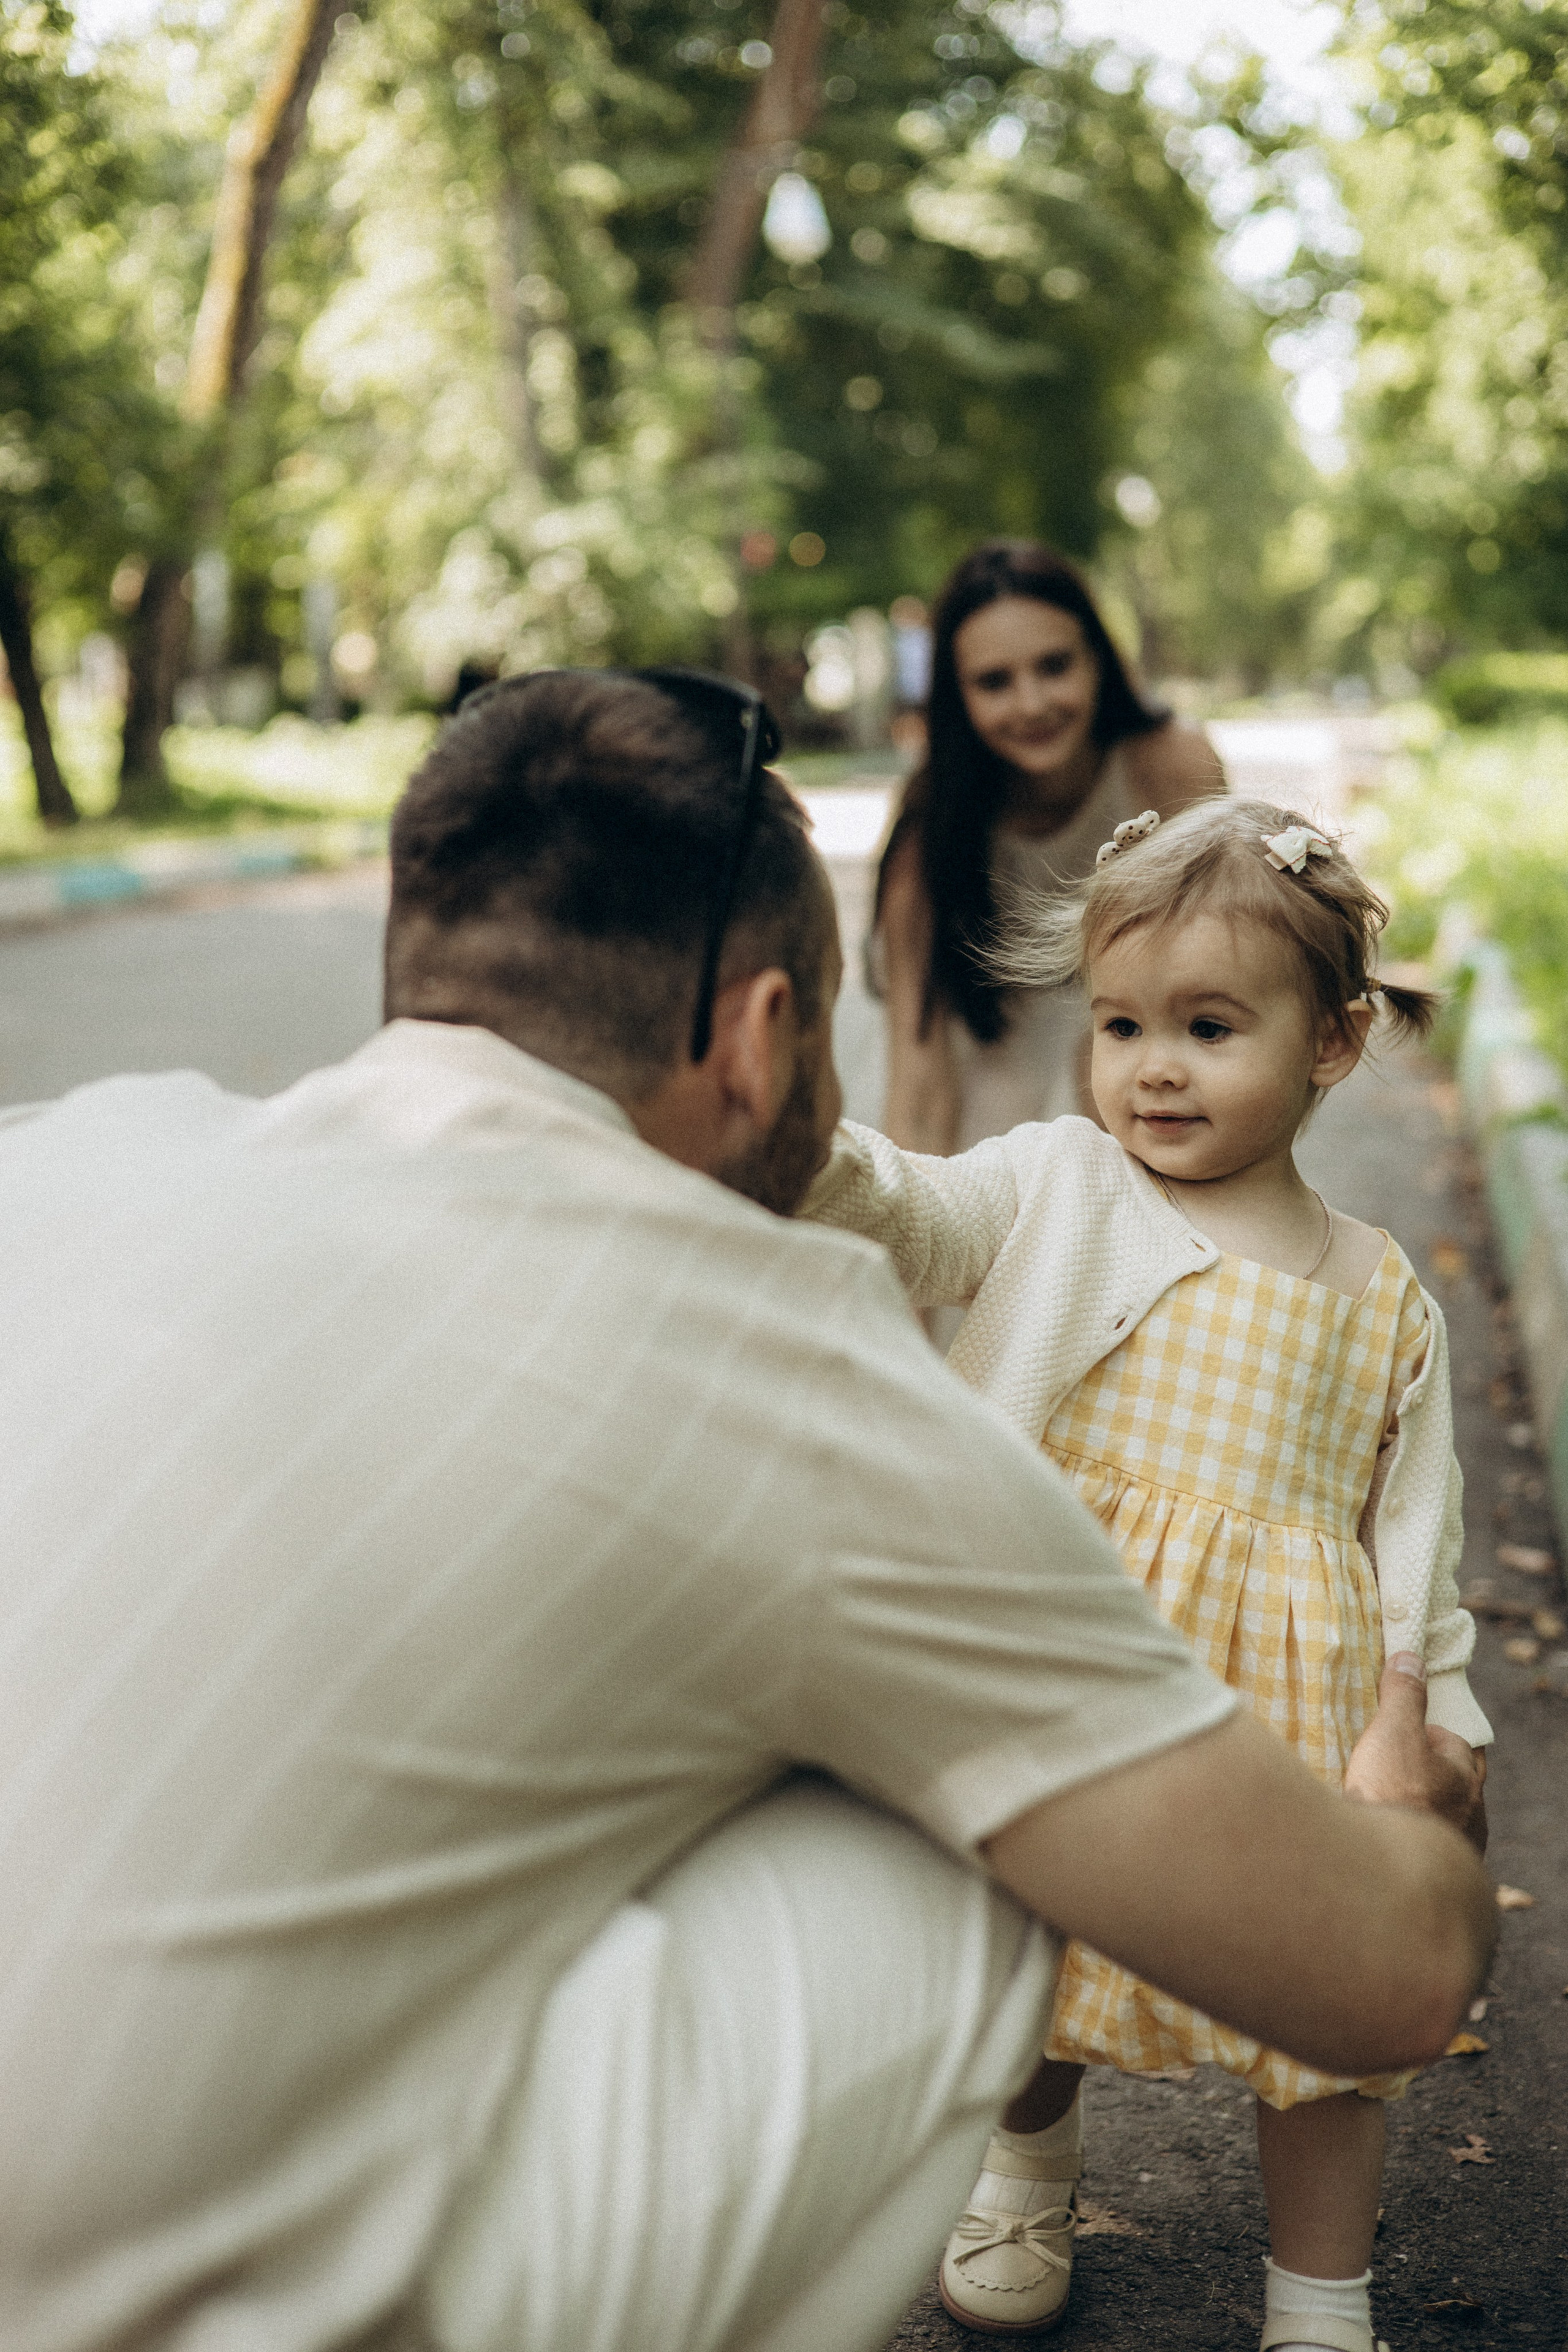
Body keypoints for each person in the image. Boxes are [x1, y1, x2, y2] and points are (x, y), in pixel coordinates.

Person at [0, 679, 1491, 2352]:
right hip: (198, 2306)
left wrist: (1395, 1681)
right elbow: (1392, 1976)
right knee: (952, 1801)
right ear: (764, 1031)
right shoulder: (791, 1376)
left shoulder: (61, 1157)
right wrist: (1439, 1824)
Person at [807, 796, 1493, 2351]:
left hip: (1293, 1716)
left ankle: (1320, 2297)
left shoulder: (1379, 1290)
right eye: (1119, 1023)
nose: (1151, 1065)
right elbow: (912, 1211)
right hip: (1073, 1665)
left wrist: (1425, 1709)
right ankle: (1021, 2168)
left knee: (1320, 2016)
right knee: (1034, 1950)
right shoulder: (1058, 1186)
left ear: (1326, 1043)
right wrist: (801, 1146)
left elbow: (1417, 1535)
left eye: (1204, 1025)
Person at [872, 538, 1225, 1153]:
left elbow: (1221, 980)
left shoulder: (1171, 768)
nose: (1031, 703)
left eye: (1054, 666)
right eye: (993, 682)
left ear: (1096, 659)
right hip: (973, 1104)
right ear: (957, 697)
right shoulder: (930, 823)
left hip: (1139, 1083)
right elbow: (919, 1067)